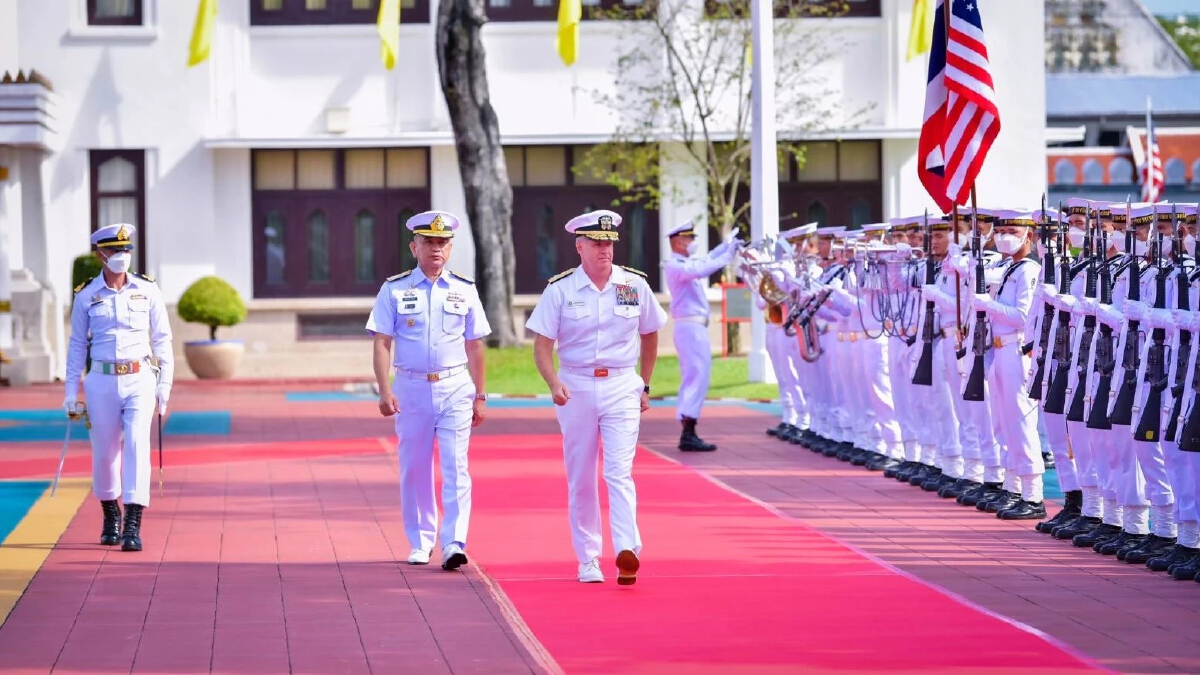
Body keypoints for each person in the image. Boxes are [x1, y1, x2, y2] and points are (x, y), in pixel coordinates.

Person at [525, 209, 668, 585]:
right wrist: (553, 382)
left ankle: (627, 550)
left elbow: (651, 333)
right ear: (579, 247)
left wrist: (645, 383)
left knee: (618, 471)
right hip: (577, 386)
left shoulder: (634, 285)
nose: (605, 250)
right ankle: (588, 558)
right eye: (596, 243)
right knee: (582, 476)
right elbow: (542, 345)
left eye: (609, 243)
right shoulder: (560, 289)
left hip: (622, 384)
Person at [366, 210, 490, 571]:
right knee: (415, 467)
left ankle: (453, 542)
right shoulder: (394, 288)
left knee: (456, 466)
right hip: (411, 388)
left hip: (454, 385)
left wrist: (480, 395)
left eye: (442, 243)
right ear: (414, 246)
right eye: (429, 242)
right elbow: (381, 343)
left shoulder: (464, 289)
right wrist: (384, 389)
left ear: (449, 249)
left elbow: (476, 345)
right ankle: (421, 541)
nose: (436, 249)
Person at [64, 223, 173, 552]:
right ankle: (110, 513)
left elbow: (163, 340)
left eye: (125, 250)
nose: (121, 257)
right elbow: (76, 348)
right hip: (101, 380)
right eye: (114, 251)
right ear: (100, 255)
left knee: (138, 446)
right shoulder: (87, 296)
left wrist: (164, 384)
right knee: (106, 451)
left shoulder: (148, 290)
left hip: (140, 377)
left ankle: (132, 523)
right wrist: (71, 392)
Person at [662, 221, 742, 451]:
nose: (692, 243)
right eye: (689, 239)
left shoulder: (684, 263)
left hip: (694, 328)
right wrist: (727, 256)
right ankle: (688, 430)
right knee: (696, 376)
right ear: (677, 242)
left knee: (697, 376)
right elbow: (702, 268)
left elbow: (705, 259)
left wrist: (726, 245)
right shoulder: (675, 265)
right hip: (690, 328)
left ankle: (689, 426)